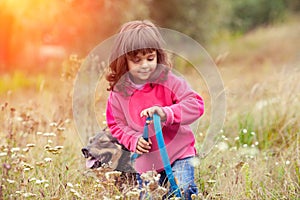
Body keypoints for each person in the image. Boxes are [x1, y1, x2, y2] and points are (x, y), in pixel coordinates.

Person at [105, 20, 204, 199]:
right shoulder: (119, 92)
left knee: (184, 189)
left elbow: (195, 104)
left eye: (150, 58)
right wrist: (134, 140)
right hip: (146, 162)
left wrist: (167, 112)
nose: (145, 65)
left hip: (179, 153)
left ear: (158, 56)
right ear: (123, 61)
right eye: (137, 60)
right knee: (150, 196)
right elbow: (116, 125)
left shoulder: (169, 81)